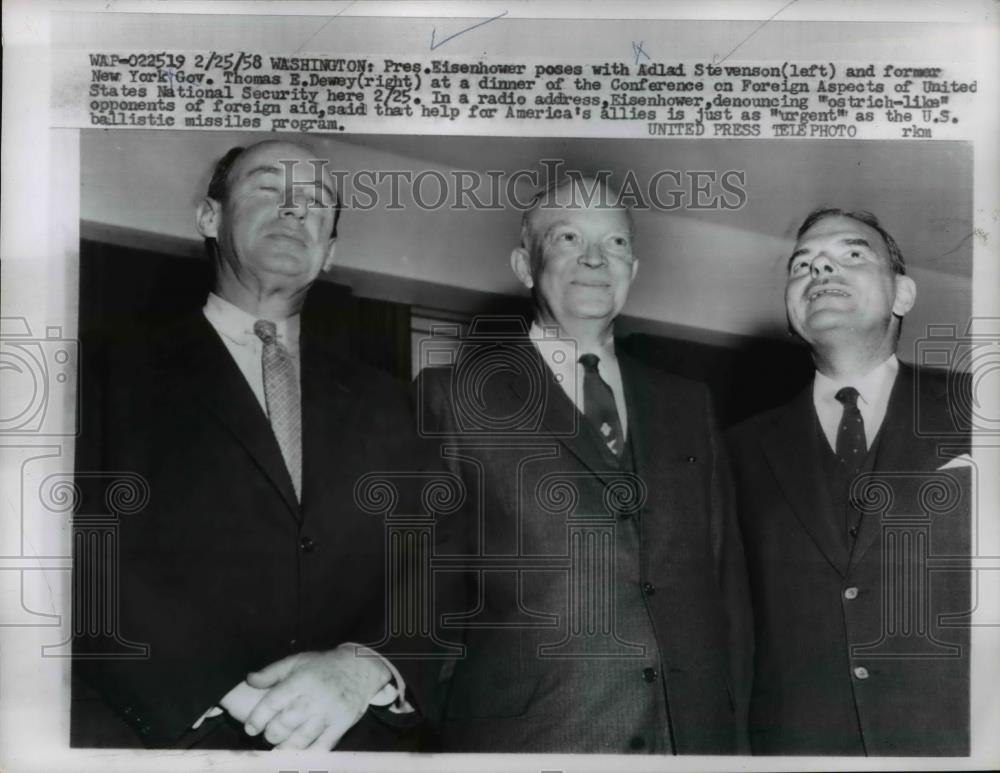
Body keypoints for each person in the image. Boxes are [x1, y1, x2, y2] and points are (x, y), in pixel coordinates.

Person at [72, 140, 434, 751]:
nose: (295, 210)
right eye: (269, 188)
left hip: (360, 739)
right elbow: (72, 544)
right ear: (209, 217)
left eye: (317, 201)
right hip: (169, 737)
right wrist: (231, 693)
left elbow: (437, 555)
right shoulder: (100, 375)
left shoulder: (390, 400)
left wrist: (363, 664)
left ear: (331, 251)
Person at [417, 176, 752, 754]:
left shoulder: (688, 403)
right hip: (534, 741)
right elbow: (419, 594)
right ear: (525, 264)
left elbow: (726, 589)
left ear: (634, 268)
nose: (596, 258)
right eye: (569, 236)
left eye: (616, 243)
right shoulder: (455, 397)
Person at [727, 208, 972, 755]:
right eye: (804, 264)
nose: (821, 272)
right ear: (791, 310)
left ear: (902, 295)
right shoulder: (732, 452)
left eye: (852, 255)